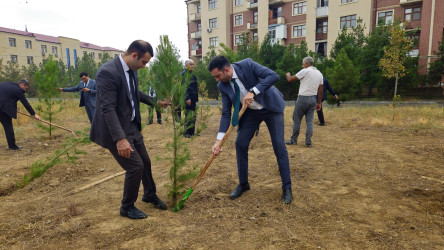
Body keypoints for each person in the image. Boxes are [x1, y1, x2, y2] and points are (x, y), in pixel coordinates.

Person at [90, 40, 170, 220]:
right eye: (144, 62)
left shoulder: (131, 70)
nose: (144, 66)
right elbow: (107, 108)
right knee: (135, 167)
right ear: (134, 55)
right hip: (115, 131)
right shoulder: (107, 72)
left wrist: (155, 102)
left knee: (146, 162)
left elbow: (135, 93)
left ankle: (149, 194)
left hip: (131, 126)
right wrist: (120, 139)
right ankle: (127, 206)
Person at [208, 55, 292, 204]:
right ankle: (243, 184)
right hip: (251, 113)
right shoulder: (223, 86)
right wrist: (218, 141)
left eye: (218, 76)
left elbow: (273, 76)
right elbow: (226, 113)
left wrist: (253, 91)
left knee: (279, 146)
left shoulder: (247, 65)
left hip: (271, 108)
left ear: (227, 70)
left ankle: (287, 188)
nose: (216, 80)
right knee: (240, 143)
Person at [285, 56, 323, 147]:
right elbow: (320, 90)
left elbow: (290, 79)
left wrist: (287, 74)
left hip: (302, 98)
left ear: (306, 64)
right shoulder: (319, 73)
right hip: (313, 99)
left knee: (297, 120)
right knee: (309, 122)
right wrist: (319, 102)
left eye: (303, 64)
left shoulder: (305, 71)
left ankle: (293, 140)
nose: (302, 66)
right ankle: (308, 142)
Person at [0, 80, 42, 150]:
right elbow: (25, 103)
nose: (25, 90)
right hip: (3, 109)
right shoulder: (18, 90)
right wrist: (34, 114)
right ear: (22, 85)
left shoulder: (5, 83)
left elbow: (6, 97)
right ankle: (12, 146)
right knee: (8, 127)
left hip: (3, 107)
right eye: (25, 88)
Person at [180, 59, 198, 138]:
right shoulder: (183, 75)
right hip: (188, 99)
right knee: (188, 116)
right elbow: (183, 88)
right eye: (191, 64)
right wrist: (187, 98)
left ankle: (192, 132)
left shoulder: (192, 75)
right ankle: (186, 132)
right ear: (186, 66)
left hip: (193, 99)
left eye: (193, 64)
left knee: (193, 116)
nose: (192, 66)